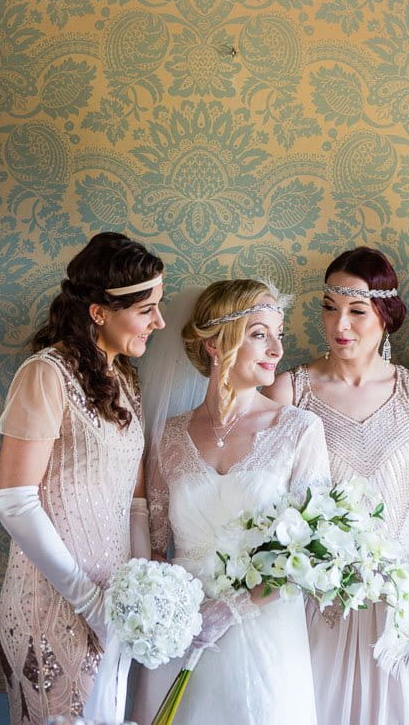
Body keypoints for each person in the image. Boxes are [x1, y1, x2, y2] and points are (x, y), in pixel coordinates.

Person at [267, 246, 409, 725]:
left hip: (400, 612)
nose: (340, 327)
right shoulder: (289, 391)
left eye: (357, 311)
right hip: (317, 607)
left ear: (386, 314)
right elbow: (268, 514)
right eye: (330, 309)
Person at [132, 278, 330, 725]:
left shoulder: (299, 430)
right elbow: (155, 548)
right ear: (215, 344)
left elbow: (315, 552)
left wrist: (232, 608)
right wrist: (164, 613)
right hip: (182, 634)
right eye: (260, 334)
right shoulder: (168, 437)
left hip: (265, 633)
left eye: (279, 334)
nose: (277, 349)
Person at [0, 231, 165, 725]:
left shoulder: (125, 381)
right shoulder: (45, 374)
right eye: (146, 309)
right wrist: (88, 600)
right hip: (52, 604)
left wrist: (137, 591)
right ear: (99, 312)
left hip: (115, 609)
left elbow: (133, 501)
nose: (158, 321)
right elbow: (14, 501)